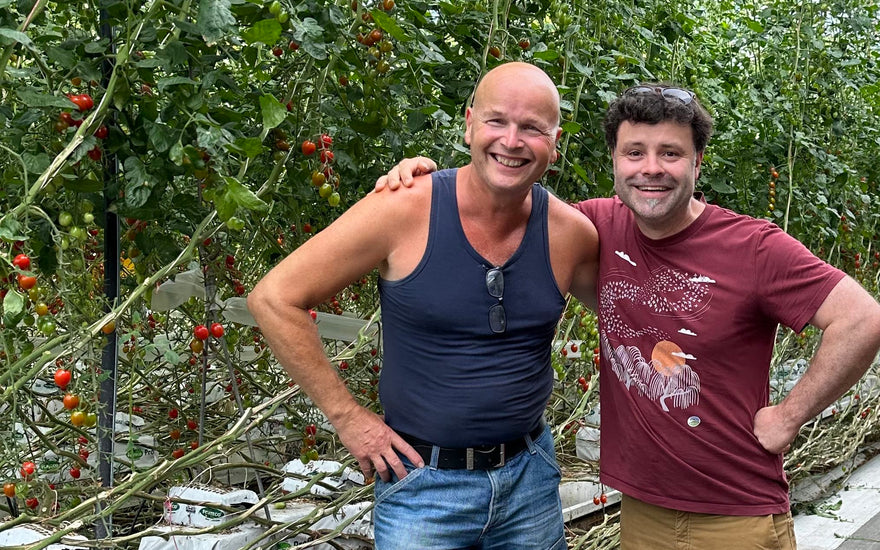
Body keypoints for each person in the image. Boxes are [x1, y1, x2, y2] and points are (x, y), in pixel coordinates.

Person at [376, 83, 880, 549]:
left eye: (671, 153)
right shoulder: (594, 226)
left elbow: (862, 319)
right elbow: (502, 207)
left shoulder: (753, 247)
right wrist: (429, 186)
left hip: (735, 517)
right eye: (634, 152)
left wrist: (788, 417)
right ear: (615, 161)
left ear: (698, 162)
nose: (651, 168)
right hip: (641, 512)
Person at [248, 62, 598, 549]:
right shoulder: (404, 207)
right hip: (422, 488)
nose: (512, 141)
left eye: (532, 128)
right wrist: (348, 418)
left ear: (555, 143)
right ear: (469, 124)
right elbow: (274, 298)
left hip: (530, 482)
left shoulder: (571, 235)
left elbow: (636, 315)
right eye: (497, 121)